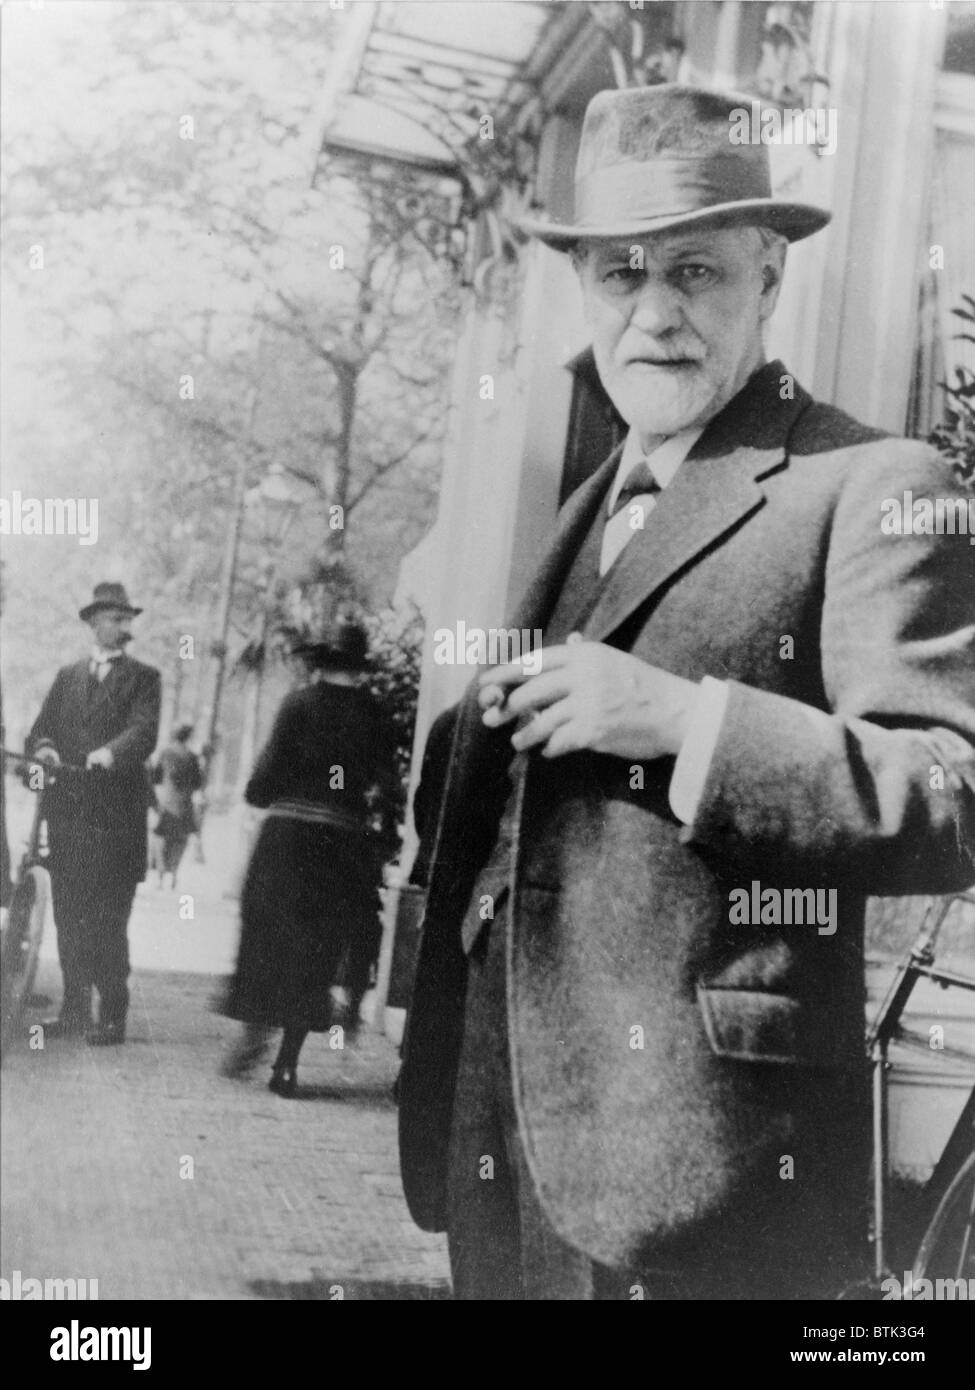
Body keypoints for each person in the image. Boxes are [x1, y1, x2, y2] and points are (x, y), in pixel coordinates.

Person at [397, 84, 975, 1300]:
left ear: (770, 278)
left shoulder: (871, 481)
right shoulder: (588, 509)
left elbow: (949, 792)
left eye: (697, 271)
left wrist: (684, 723)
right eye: (621, 275)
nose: (655, 314)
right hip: (503, 1134)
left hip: (710, 1172)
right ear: (584, 291)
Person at [220, 619, 399, 1097]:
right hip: (342, 846)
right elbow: (389, 791)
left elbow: (261, 785)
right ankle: (287, 1065)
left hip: (288, 840)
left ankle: (252, 1036)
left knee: (266, 934)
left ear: (320, 662)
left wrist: (277, 791)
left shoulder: (297, 704)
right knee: (317, 949)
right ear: (360, 668)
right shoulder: (378, 715)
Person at [26, 582, 161, 1045]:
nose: (124, 627)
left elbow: (144, 733)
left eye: (127, 619)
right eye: (115, 618)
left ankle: (113, 1014)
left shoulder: (145, 678)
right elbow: (39, 732)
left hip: (116, 825)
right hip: (68, 823)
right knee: (69, 919)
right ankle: (74, 1009)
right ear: (94, 623)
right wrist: (43, 750)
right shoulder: (68, 677)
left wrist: (109, 752)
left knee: (108, 922)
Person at [150, 724, 203, 888]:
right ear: (188, 737)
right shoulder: (192, 757)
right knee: (180, 840)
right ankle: (173, 873)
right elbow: (197, 783)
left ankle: (159, 875)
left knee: (161, 838)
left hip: (167, 803)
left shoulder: (165, 753)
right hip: (184, 804)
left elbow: (156, 777)